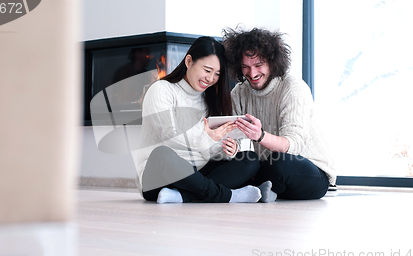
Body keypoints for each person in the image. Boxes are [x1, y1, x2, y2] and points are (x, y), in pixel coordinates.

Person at [136, 36, 267, 204]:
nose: (211, 78)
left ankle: (182, 197)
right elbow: (169, 136)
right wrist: (208, 137)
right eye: (207, 70)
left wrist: (226, 149)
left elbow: (205, 150)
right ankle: (228, 196)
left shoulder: (208, 100)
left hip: (195, 174)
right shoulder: (161, 90)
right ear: (189, 61)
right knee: (162, 154)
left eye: (217, 74)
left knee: (249, 159)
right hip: (159, 177)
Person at [222, 27, 337, 202]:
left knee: (280, 162)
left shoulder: (292, 87)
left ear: (272, 62)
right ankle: (263, 191)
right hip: (266, 167)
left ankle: (258, 189)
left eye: (258, 65)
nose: (252, 74)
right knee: (244, 162)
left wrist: (259, 136)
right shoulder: (239, 92)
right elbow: (236, 141)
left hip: (309, 170)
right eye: (245, 67)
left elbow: (294, 145)